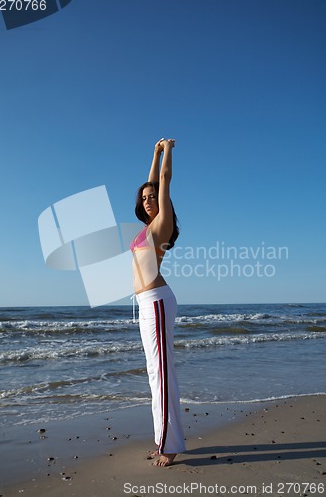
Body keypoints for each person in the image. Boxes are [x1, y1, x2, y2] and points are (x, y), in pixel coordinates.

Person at [130, 138, 186, 467]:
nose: (149, 200)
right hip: (146, 304)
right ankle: (163, 438)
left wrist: (167, 153)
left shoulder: (162, 225)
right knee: (154, 373)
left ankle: (170, 444)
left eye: (153, 198)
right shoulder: (146, 227)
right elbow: (152, 180)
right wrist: (152, 153)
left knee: (162, 374)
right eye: (145, 198)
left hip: (158, 302)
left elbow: (162, 180)